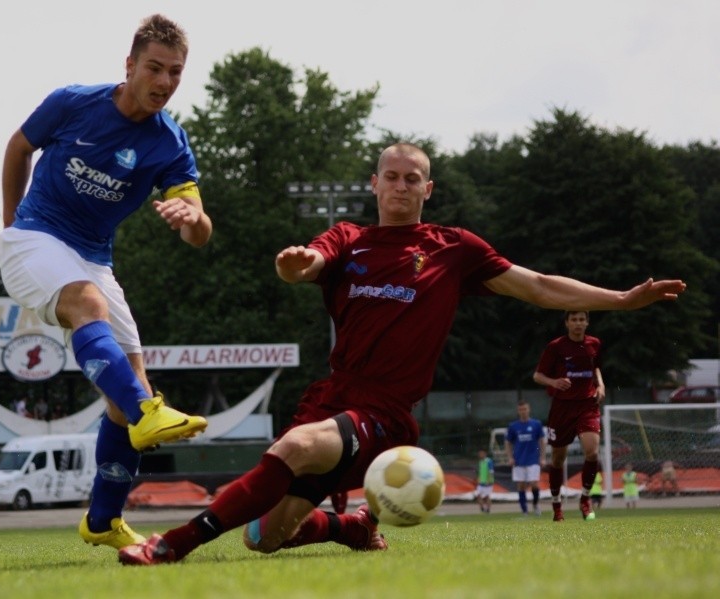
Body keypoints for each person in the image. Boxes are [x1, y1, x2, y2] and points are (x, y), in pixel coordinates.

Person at [118, 142, 685, 565]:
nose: (400, 185)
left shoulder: (453, 249)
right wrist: (297, 265)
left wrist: (622, 300)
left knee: (296, 446)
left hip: (386, 412)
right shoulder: (349, 239)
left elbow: (536, 285)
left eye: (412, 178)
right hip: (333, 398)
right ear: (375, 183)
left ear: (427, 189)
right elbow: (310, 261)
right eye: (391, 176)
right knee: (266, 536)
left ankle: (172, 544)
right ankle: (353, 528)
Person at [0, 14, 212, 551]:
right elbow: (18, 147)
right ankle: (147, 412)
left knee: (129, 378)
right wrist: (9, 227)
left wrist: (192, 221)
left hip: (93, 258)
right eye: (155, 68)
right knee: (91, 313)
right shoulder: (74, 101)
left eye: (176, 73)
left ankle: (103, 520)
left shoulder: (170, 143)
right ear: (130, 64)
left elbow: (200, 230)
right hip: (35, 238)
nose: (164, 82)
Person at [533, 310, 604, 522]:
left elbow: (596, 367)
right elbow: (537, 376)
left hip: (587, 405)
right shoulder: (556, 346)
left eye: (582, 319)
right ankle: (556, 506)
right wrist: (554, 382)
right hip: (562, 408)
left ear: (587, 322)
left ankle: (585, 499)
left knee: (592, 452)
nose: (578, 323)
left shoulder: (594, 344)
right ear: (567, 323)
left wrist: (600, 385)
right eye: (574, 319)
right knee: (558, 459)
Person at [505, 400, 546, 516]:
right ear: (518, 411)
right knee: (521, 485)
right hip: (519, 460)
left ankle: (536, 505)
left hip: (533, 459)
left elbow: (542, 441)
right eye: (521, 409)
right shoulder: (513, 426)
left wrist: (542, 457)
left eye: (525, 409)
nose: (523, 411)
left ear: (529, 409)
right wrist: (510, 457)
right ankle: (524, 511)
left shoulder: (536, 424)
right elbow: (508, 442)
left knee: (534, 484)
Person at [475, 450, 494, 514]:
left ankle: (488, 510)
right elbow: (479, 472)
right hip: (481, 482)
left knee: (487, 496)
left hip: (488, 482)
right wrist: (478, 479)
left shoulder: (489, 461)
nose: (480, 455)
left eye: (481, 453)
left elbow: (491, 471)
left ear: (485, 453)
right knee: (478, 495)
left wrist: (489, 480)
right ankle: (482, 508)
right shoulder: (480, 462)